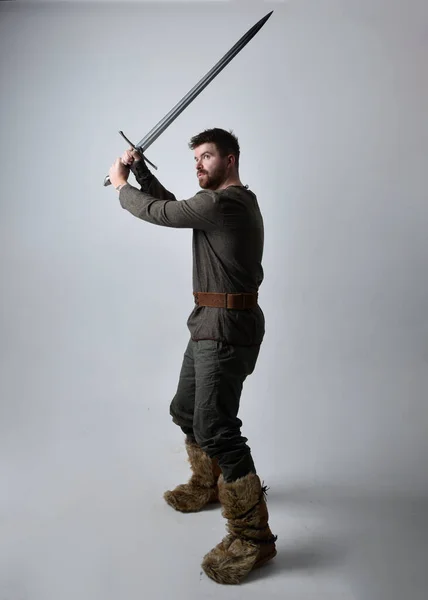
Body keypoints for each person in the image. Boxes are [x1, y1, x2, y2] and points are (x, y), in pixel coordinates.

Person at [108, 128, 277, 584]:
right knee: (186, 411)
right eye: (196, 159)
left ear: (231, 159)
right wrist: (142, 170)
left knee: (217, 427)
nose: (199, 165)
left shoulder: (225, 204)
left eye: (207, 157)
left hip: (226, 329)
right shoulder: (218, 205)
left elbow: (163, 212)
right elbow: (177, 207)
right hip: (208, 322)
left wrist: (122, 184)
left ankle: (252, 537)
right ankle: (210, 485)